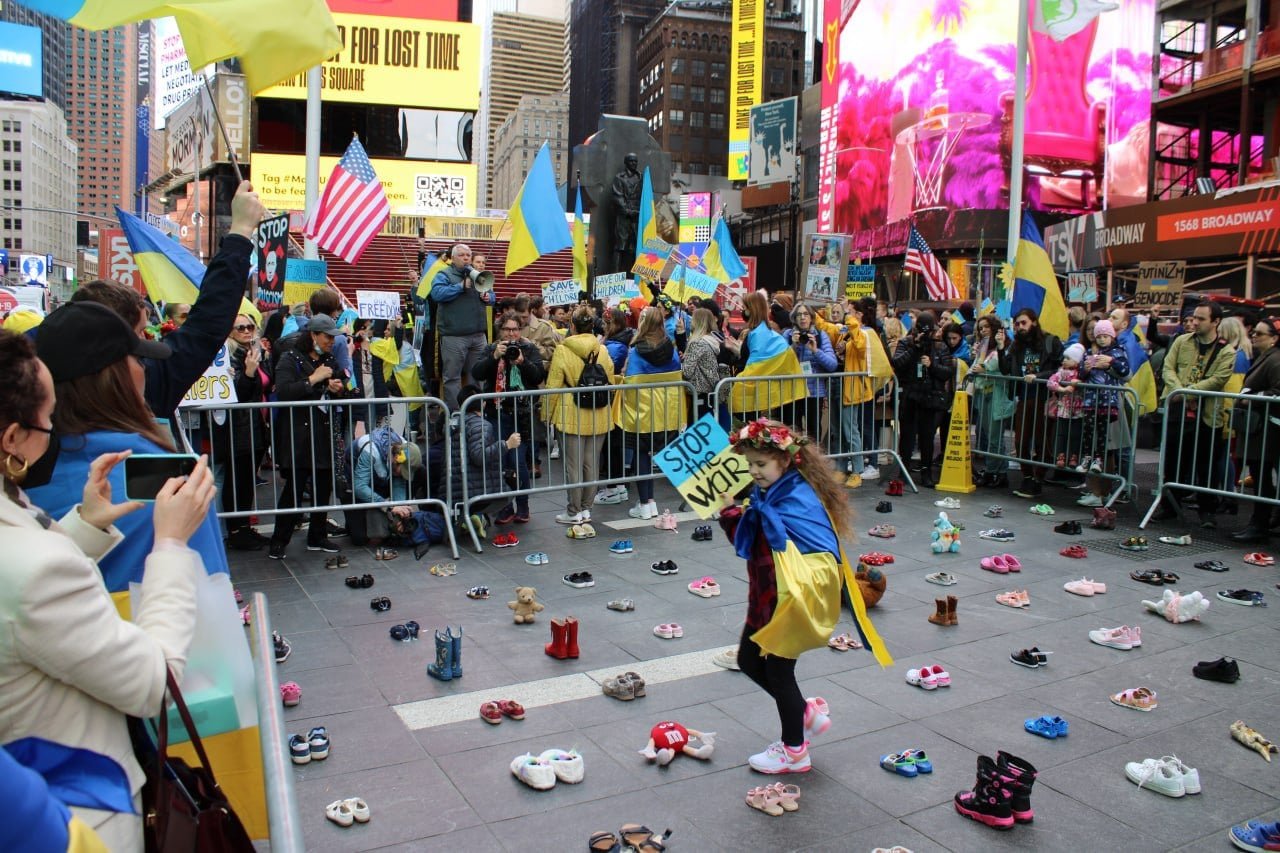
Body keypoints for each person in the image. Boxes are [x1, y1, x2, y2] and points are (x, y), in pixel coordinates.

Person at [0, 329, 216, 851]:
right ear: (12, 439)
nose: (53, 429)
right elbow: (153, 682)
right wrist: (170, 544)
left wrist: (86, 526)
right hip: (72, 814)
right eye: (47, 420)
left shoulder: (27, 543)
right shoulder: (37, 568)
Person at [716, 418, 889, 775]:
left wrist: (732, 512)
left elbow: (761, 537)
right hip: (772, 592)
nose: (754, 471)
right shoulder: (777, 490)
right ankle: (804, 713)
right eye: (749, 464)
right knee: (750, 660)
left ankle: (794, 750)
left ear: (785, 461)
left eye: (760, 464)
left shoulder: (790, 497)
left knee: (778, 671)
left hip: (792, 595)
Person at [24, 304, 227, 593]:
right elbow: (207, 591)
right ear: (114, 376)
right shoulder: (172, 480)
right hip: (156, 626)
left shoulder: (18, 481)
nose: (146, 369)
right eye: (139, 358)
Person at [69, 182, 265, 419]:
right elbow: (208, 323)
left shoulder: (39, 383)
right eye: (140, 332)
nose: (146, 339)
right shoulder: (146, 382)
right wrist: (241, 232)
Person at [267, 314, 351, 559]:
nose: (330, 342)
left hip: (322, 430)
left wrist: (337, 389)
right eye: (326, 337)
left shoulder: (328, 359)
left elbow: (338, 384)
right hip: (297, 433)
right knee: (294, 487)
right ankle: (279, 540)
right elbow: (283, 392)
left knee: (323, 485)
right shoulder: (289, 358)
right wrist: (314, 379)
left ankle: (318, 535)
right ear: (313, 335)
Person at [1153, 301, 1237, 527]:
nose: (1195, 322)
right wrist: (1178, 389)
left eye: (1201, 319)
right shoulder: (1181, 341)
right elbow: (1168, 368)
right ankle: (1170, 506)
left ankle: (1207, 511)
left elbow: (1219, 379)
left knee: (1206, 465)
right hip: (1178, 411)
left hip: (1208, 415)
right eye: (1194, 318)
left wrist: (1188, 392)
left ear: (1215, 322)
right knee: (1172, 462)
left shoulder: (1226, 351)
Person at [544, 307, 617, 525]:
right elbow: (610, 382)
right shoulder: (602, 350)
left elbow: (553, 385)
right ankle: (586, 509)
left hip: (570, 411)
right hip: (599, 411)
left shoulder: (562, 350)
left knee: (572, 466)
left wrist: (545, 414)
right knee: (591, 463)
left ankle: (573, 511)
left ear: (572, 326)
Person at [471, 311, 544, 524]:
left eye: (515, 329)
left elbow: (539, 376)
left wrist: (522, 362)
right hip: (497, 412)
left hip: (520, 414)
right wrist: (494, 357)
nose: (511, 334)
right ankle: (504, 507)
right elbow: (477, 373)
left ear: (520, 331)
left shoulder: (529, 349)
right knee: (499, 460)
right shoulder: (491, 349)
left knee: (517, 461)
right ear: (500, 331)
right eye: (507, 329)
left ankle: (523, 505)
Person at [620, 306, 685, 520]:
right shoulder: (671, 348)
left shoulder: (636, 351)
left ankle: (646, 503)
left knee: (641, 455)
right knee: (656, 454)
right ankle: (651, 504)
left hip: (642, 411)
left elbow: (630, 381)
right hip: (667, 412)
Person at [216, 312, 272, 550]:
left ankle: (245, 527)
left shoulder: (256, 352)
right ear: (230, 331)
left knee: (248, 481)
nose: (247, 331)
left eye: (250, 326)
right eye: (240, 328)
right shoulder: (227, 355)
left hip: (256, 425)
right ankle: (236, 531)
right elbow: (236, 394)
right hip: (238, 427)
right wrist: (249, 372)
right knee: (236, 481)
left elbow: (268, 382)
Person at [1000, 308, 1064, 499]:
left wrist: (1038, 376)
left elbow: (1059, 369)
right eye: (1017, 324)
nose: (1020, 327)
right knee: (1020, 442)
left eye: (1023, 323)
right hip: (1025, 397)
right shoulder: (1016, 346)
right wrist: (1000, 347)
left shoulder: (1050, 341)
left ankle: (1037, 478)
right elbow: (1005, 370)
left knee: (1042, 441)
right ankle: (1027, 476)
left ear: (1034, 322)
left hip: (1045, 398)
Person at [891, 311, 953, 488]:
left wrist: (932, 365)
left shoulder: (940, 347)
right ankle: (904, 470)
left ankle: (927, 472)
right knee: (907, 436)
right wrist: (915, 348)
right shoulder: (906, 342)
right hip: (910, 394)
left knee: (927, 436)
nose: (926, 336)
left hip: (930, 396)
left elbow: (947, 372)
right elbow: (897, 364)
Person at [1232, 317, 1280, 542]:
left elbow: (1277, 392)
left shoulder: (1276, 360)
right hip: (1260, 429)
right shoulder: (1266, 358)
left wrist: (1251, 398)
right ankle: (1262, 521)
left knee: (1262, 477)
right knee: (1260, 476)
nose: (1254, 336)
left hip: (1267, 430)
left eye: (1260, 334)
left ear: (1273, 338)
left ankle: (1260, 523)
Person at [432, 243, 493, 410]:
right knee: (452, 377)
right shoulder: (444, 274)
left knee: (479, 375)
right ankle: (456, 414)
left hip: (478, 336)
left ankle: (476, 411)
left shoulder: (477, 275)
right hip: (454, 336)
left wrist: (489, 298)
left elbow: (493, 296)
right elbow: (437, 294)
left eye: (468, 255)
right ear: (453, 257)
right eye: (462, 255)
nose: (466, 258)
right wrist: (460, 287)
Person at [1075, 320, 1129, 507]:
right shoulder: (1088, 352)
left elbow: (1126, 373)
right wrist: (1085, 369)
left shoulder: (1116, 351)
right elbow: (1081, 373)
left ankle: (1102, 492)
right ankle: (1094, 488)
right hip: (1091, 401)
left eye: (1102, 334)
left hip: (1110, 401)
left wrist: (1110, 364)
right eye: (1092, 331)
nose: (1097, 336)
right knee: (1091, 435)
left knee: (1107, 445)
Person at [352, 429, 422, 558]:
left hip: (378, 479)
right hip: (352, 482)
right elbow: (359, 487)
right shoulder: (371, 450)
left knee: (382, 530)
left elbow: (399, 484)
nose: (403, 474)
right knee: (359, 538)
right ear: (396, 459)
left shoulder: (404, 448)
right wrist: (389, 506)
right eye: (403, 470)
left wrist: (401, 515)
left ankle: (380, 524)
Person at [968, 315, 1014, 487]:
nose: (983, 330)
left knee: (995, 437)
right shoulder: (983, 347)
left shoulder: (1004, 347)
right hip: (984, 393)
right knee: (989, 436)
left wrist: (983, 369)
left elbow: (1001, 369)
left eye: (986, 326)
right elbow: (976, 368)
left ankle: (995, 472)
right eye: (980, 328)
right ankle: (995, 471)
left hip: (998, 395)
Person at [787, 303, 838, 442]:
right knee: (791, 432)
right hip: (792, 392)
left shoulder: (820, 336)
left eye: (806, 314)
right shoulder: (787, 335)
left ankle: (813, 461)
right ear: (794, 318)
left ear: (811, 318)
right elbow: (780, 363)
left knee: (813, 432)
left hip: (814, 392)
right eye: (799, 315)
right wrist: (793, 346)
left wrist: (815, 350)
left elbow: (832, 365)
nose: (802, 318)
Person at [611, 153, 642, 271]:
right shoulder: (619, 178)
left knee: (636, 248)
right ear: (626, 163)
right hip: (624, 218)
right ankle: (615, 275)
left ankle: (634, 277)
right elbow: (617, 197)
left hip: (638, 217)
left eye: (635, 161)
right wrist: (627, 211)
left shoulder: (641, 177)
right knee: (620, 247)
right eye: (631, 161)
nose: (634, 163)